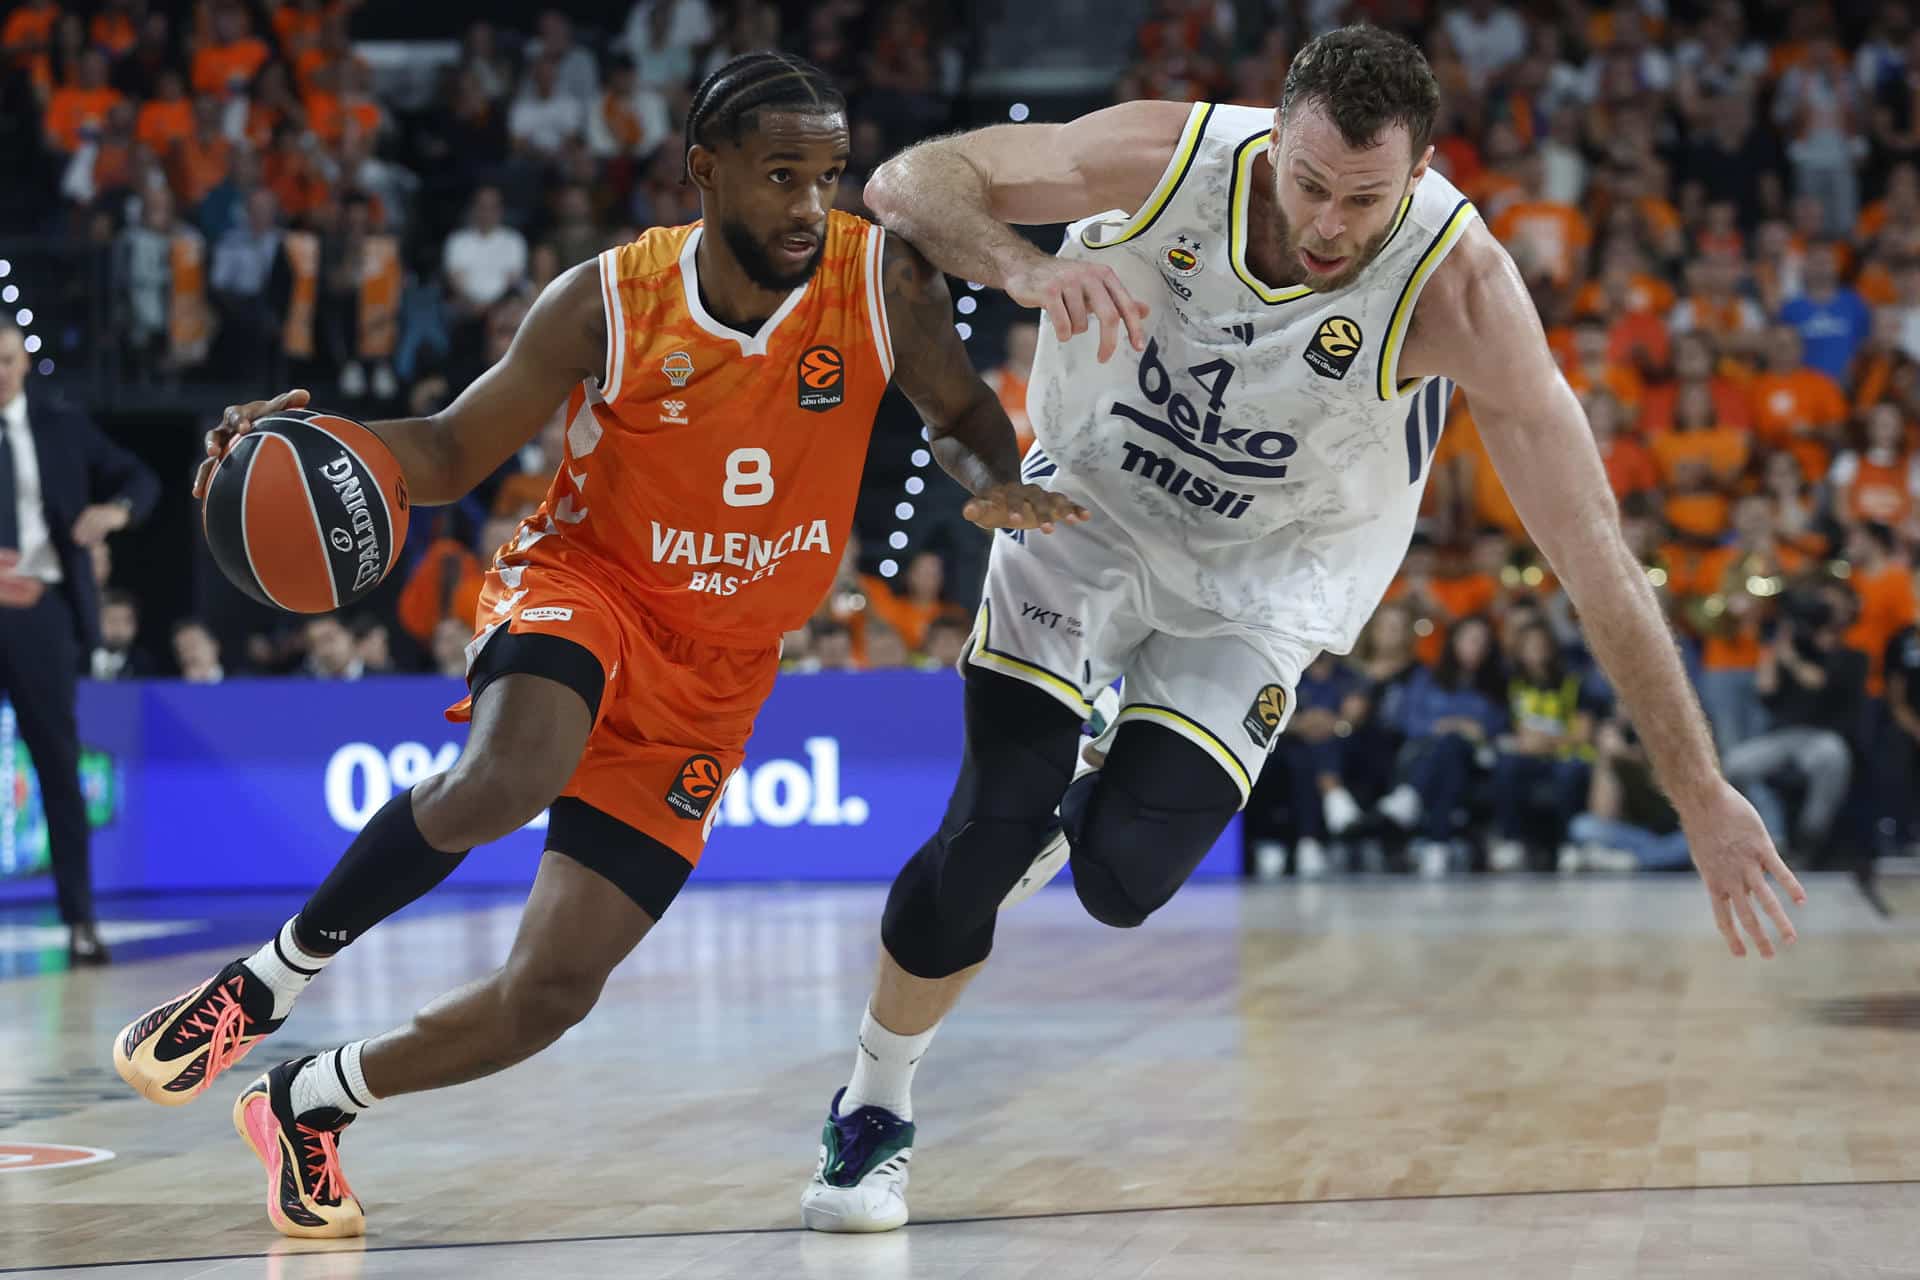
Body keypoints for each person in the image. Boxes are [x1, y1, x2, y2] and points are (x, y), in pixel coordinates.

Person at [800, 25, 1803, 1234]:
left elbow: (1597, 562)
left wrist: (1698, 792)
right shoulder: (1174, 158)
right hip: (1090, 510)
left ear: (1424, 171)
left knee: (1122, 882)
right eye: (1310, 183)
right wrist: (1022, 269)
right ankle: (875, 1106)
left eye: (1366, 198)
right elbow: (910, 182)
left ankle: (1078, 800)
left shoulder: (1466, 292)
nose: (1330, 222)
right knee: (985, 823)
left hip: (1269, 579)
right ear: (1273, 140)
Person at [109, 53, 1078, 1241]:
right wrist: (330, 439)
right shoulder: (605, 299)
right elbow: (456, 451)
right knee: (510, 776)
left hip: (718, 674)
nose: (805, 206)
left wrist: (997, 483)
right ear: (705, 170)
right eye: (780, 175)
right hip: (589, 585)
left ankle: (309, 1100)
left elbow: (967, 418)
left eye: (826, 177)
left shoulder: (883, 284)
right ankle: (267, 977)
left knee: (551, 993)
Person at [0, 318, 159, 965]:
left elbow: (141, 478)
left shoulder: (61, 426)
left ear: (22, 362)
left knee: (58, 767)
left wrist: (113, 513)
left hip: (40, 613)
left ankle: (81, 921)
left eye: (6, 359)